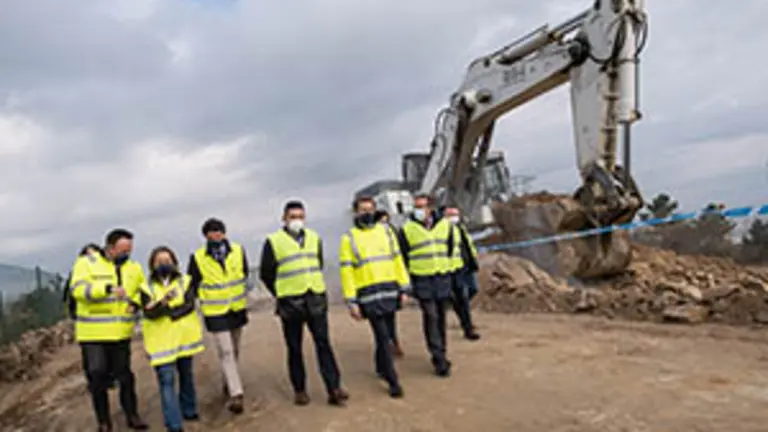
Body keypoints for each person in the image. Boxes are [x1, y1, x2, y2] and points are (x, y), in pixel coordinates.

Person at [259, 200, 349, 407]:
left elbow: (318, 263)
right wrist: (280, 292)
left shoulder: (314, 238)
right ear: (284, 218)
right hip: (290, 302)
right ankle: (300, 390)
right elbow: (266, 273)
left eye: (300, 216)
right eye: (293, 217)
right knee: (295, 347)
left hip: (314, 297)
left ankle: (334, 388)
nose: (297, 221)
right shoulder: (273, 241)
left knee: (324, 344)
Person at [69, 229, 148, 431]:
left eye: (129, 250)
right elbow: (77, 291)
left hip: (120, 332)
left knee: (125, 376)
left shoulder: (134, 268)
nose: (126, 254)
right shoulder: (86, 263)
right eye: (122, 250)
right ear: (110, 247)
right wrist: (105, 289)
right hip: (92, 334)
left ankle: (132, 415)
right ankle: (103, 422)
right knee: (97, 376)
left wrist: (136, 303)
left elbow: (143, 291)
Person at [340, 197, 409, 398]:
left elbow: (397, 259)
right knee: (383, 337)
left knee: (386, 335)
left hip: (389, 291)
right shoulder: (349, 238)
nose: (367, 213)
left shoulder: (387, 232)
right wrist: (351, 301)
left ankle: (381, 367)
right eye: (362, 210)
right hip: (368, 297)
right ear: (355, 213)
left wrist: (404, 288)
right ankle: (393, 380)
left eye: (370, 209)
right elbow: (347, 272)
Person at [186, 218, 249, 414]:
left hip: (236, 308)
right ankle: (236, 394)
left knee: (235, 349)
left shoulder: (238, 251)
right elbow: (192, 285)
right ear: (205, 236)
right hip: (215, 312)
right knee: (227, 351)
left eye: (219, 231)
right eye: (212, 232)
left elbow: (244, 274)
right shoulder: (198, 258)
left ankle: (228, 382)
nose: (216, 235)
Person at [140, 246, 205, 432]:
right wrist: (164, 305)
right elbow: (149, 313)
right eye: (159, 262)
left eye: (167, 261)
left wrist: (165, 310)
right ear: (152, 265)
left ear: (175, 262)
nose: (164, 265)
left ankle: (189, 409)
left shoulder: (186, 281)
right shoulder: (146, 288)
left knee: (186, 376)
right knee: (166, 380)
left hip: (184, 339)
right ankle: (174, 424)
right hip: (161, 343)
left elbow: (189, 305)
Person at [397, 194, 455, 377]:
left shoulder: (445, 225)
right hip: (422, 279)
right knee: (431, 316)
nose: (418, 210)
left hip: (441, 276)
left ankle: (442, 351)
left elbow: (450, 248)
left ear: (430, 208)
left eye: (422, 207)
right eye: (416, 207)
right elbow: (404, 256)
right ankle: (438, 357)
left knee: (441, 318)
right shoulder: (407, 229)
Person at [444, 206, 481, 341]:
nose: (454, 217)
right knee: (462, 298)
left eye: (456, 214)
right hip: (454, 268)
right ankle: (468, 327)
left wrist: (473, 259)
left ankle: (458, 308)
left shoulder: (461, 228)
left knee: (473, 289)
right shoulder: (445, 230)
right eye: (451, 214)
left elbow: (468, 245)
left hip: (467, 265)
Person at [374, 209, 404, 358]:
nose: (384, 224)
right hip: (375, 283)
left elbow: (399, 257)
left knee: (390, 315)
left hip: (391, 281)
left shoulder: (393, 233)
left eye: (386, 221)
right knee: (380, 319)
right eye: (381, 221)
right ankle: (387, 347)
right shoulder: (370, 237)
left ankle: (393, 341)